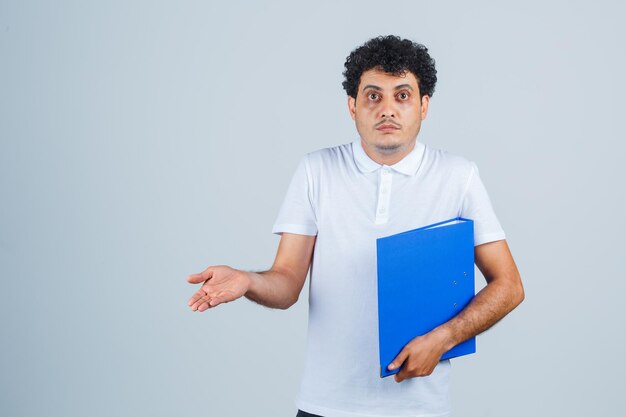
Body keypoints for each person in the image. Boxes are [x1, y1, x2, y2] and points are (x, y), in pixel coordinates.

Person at [187, 35, 525, 417]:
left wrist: (445, 338)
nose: (387, 110)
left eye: (402, 95)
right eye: (373, 96)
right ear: (352, 106)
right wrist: (247, 280)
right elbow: (285, 282)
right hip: (325, 405)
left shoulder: (458, 176)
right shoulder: (317, 171)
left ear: (423, 106)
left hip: (419, 408)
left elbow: (509, 286)